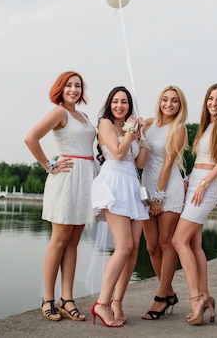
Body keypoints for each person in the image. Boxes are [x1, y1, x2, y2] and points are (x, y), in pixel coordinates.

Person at [24, 71, 97, 322]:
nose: (74, 90)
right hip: (66, 179)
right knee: (59, 240)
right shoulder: (59, 112)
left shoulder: (84, 116)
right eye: (69, 85)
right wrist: (49, 165)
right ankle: (48, 298)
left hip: (85, 179)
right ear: (61, 88)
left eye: (78, 86)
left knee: (74, 242)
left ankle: (67, 298)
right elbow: (30, 137)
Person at [171, 83, 217, 325]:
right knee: (195, 243)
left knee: (178, 240)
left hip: (206, 187)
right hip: (196, 183)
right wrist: (190, 181)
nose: (214, 103)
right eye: (210, 98)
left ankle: (195, 297)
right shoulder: (206, 126)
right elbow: (202, 160)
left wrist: (204, 183)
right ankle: (205, 296)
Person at [89, 86, 149, 328]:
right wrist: (131, 134)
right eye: (115, 101)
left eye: (124, 102)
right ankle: (102, 303)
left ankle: (117, 301)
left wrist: (141, 136)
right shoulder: (105, 124)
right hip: (113, 183)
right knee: (123, 246)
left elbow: (141, 162)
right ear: (109, 104)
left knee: (134, 249)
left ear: (129, 105)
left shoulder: (132, 129)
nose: (120, 105)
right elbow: (117, 152)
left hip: (132, 185)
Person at [139, 86, 188, 320]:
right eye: (165, 100)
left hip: (168, 189)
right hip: (146, 187)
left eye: (174, 101)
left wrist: (159, 196)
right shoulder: (148, 124)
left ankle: (160, 298)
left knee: (165, 241)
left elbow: (169, 164)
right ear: (160, 101)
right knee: (151, 246)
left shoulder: (178, 128)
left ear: (180, 105)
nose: (169, 104)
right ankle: (168, 293)